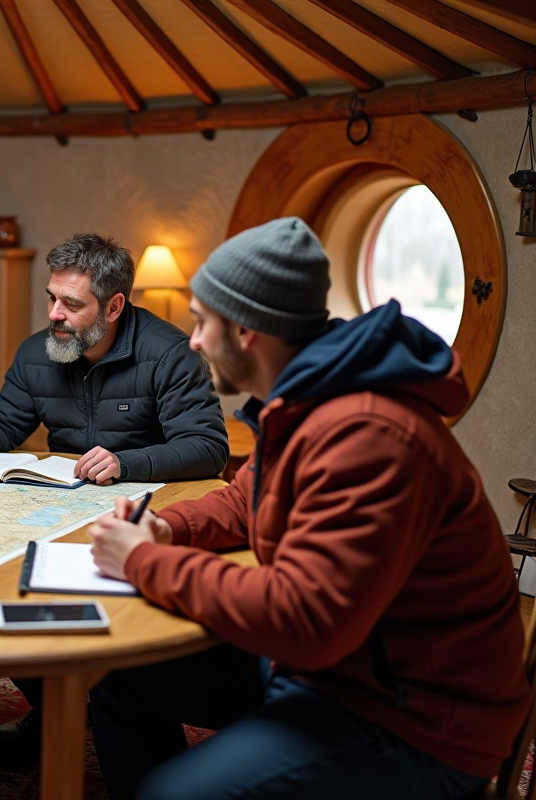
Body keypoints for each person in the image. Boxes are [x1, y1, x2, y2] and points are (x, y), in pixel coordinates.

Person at [86, 217, 530, 800]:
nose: (192, 341)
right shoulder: (308, 397)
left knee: (174, 793)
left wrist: (146, 562)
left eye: (202, 322)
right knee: (120, 682)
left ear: (245, 331)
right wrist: (167, 526)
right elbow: (249, 499)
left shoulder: (367, 432)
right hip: (348, 667)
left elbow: (305, 622)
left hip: (417, 716)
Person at [0, 232, 228, 762]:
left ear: (114, 306)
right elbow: (6, 417)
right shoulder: (36, 353)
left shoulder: (170, 354)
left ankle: (112, 704)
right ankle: (57, 707)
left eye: (72, 304)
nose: (54, 314)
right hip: (57, 506)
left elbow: (209, 448)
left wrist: (126, 462)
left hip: (142, 515)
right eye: (51, 298)